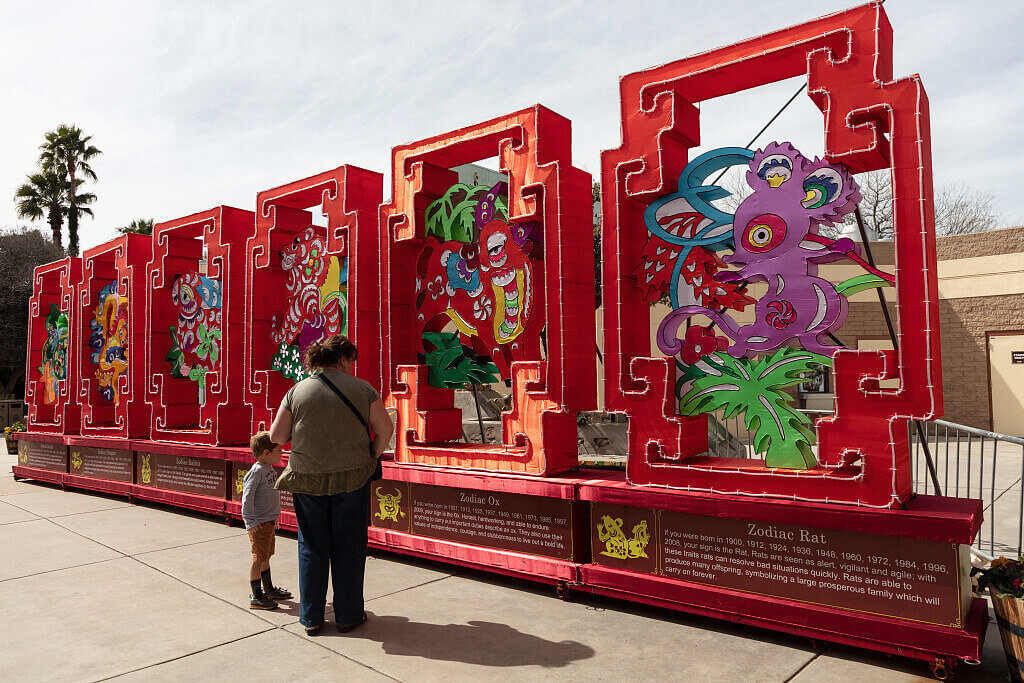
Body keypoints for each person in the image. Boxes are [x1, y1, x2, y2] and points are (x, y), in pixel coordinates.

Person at [270, 334, 394, 636]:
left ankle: (311, 618)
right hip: (352, 477)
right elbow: (385, 428)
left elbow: (276, 436)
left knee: (311, 546)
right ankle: (348, 616)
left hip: (307, 478)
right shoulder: (363, 388)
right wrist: (371, 457)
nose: (352, 365)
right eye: (351, 360)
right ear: (342, 359)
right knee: (349, 546)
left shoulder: (297, 390)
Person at [242, 431, 292, 610]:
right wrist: (251, 523)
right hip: (260, 524)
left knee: (266, 557)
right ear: (266, 452)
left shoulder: (268, 468)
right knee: (258, 559)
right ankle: (256, 596)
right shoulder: (256, 472)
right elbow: (246, 499)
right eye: (279, 450)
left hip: (269, 522)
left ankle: (268, 589)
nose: (282, 453)